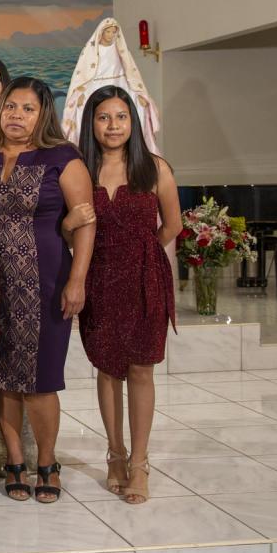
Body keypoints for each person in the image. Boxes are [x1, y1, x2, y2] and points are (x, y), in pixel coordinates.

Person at [0, 77, 94, 504]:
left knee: (41, 380)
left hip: (47, 280)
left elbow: (85, 222)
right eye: (10, 107)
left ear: (43, 115)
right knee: (3, 376)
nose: (16, 115)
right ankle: (15, 461)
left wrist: (78, 279)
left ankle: (48, 462)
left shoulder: (63, 158)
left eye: (27, 109)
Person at [70, 86, 179, 505]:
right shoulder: (80, 170)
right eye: (103, 117)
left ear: (132, 122)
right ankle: (114, 454)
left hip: (145, 279)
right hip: (98, 277)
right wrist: (68, 226)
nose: (113, 126)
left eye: (121, 117)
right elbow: (69, 228)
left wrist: (144, 252)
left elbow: (173, 225)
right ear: (91, 123)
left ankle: (139, 462)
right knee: (107, 368)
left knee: (141, 368)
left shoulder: (154, 168)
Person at [61, 18, 161, 153]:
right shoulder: (92, 51)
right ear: (101, 32)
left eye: (114, 32)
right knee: (82, 110)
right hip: (95, 88)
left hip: (120, 85)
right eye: (108, 32)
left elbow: (130, 74)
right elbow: (84, 77)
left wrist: (139, 95)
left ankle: (135, 152)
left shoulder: (120, 49)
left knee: (139, 107)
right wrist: (80, 95)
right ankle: (86, 151)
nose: (111, 35)